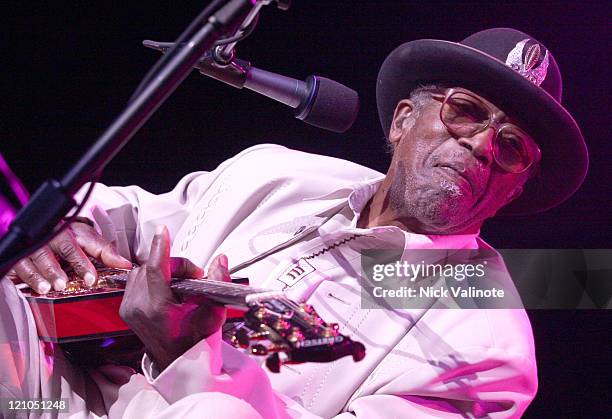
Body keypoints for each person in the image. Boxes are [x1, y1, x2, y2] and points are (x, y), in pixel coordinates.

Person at [1, 28, 588, 418]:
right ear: (403, 120)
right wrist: (57, 228)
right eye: (465, 112)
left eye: (512, 148)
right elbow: (120, 217)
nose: (484, 146)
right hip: (63, 394)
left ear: (514, 187)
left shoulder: (488, 353)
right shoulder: (277, 172)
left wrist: (190, 358)